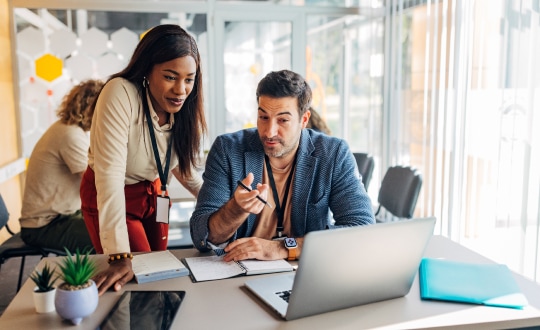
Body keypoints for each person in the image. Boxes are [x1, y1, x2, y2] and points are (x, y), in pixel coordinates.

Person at [190, 69, 374, 262]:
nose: (269, 132)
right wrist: (235, 209)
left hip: (306, 271)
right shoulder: (227, 150)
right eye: (263, 117)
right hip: (240, 270)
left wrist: (282, 248)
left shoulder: (333, 154)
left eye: (283, 120)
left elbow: (362, 228)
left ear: (304, 120)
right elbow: (201, 236)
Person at [80, 24, 207, 295]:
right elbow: (110, 178)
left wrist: (219, 203)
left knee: (159, 269)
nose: (181, 90)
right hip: (116, 197)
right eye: (170, 77)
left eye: (189, 79)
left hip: (155, 195)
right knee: (140, 276)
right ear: (148, 70)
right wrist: (118, 255)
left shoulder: (182, 109)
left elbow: (182, 168)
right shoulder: (119, 93)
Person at [19, 79, 103, 253]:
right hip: (44, 226)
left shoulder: (67, 129)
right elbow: (96, 182)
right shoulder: (70, 135)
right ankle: (96, 280)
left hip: (60, 217)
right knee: (108, 237)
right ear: (92, 108)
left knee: (111, 228)